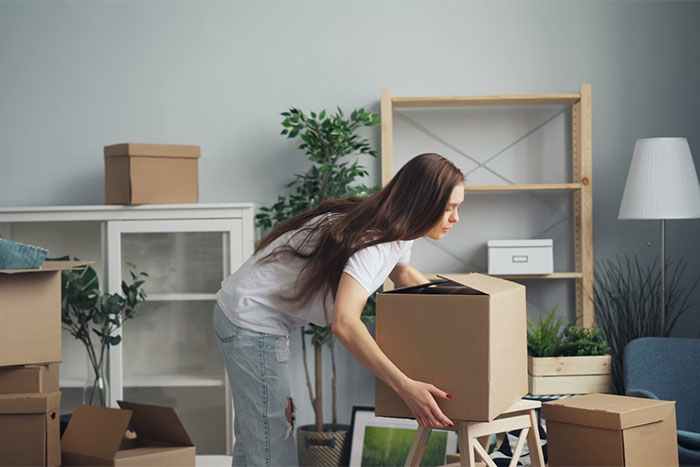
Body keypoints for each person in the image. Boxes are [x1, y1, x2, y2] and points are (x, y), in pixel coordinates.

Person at [213, 152, 465, 466]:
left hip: (257, 317)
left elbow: (403, 275)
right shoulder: (373, 240)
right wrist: (406, 387)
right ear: (423, 202)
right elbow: (344, 324)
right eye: (449, 208)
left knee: (258, 436)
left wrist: (464, 309)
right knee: (270, 440)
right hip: (250, 319)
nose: (455, 218)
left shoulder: (399, 232)